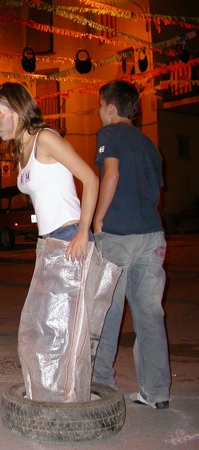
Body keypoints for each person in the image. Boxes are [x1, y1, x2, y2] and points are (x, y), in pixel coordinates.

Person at [0, 82, 99, 401]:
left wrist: (81, 231)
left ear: (18, 110)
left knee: (67, 331)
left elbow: (90, 178)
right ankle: (53, 396)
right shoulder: (21, 150)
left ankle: (71, 403)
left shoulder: (45, 138)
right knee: (47, 328)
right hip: (48, 243)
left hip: (69, 237)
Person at [92, 80, 170, 409]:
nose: (98, 111)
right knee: (150, 313)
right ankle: (156, 392)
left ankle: (102, 388)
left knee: (107, 311)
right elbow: (157, 191)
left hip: (118, 236)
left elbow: (110, 175)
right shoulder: (150, 144)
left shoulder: (109, 134)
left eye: (99, 105)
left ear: (110, 108)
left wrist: (97, 219)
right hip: (152, 236)